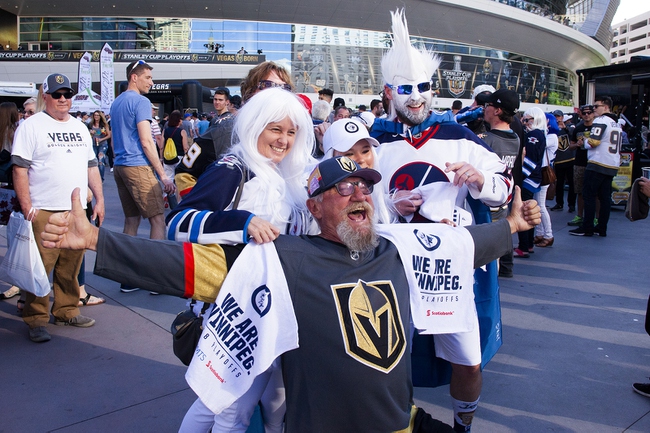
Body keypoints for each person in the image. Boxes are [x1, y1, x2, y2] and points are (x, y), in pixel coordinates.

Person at [41, 157, 541, 432]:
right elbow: (188, 266)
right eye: (344, 190)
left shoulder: (396, 249)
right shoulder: (282, 258)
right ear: (316, 206)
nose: (360, 195)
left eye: (365, 189)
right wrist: (96, 241)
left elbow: (458, 245)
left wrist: (512, 225)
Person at [371, 10, 511, 431]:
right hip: (392, 268)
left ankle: (462, 427)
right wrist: (392, 206)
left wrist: (481, 178)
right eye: (406, 89)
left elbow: (504, 189)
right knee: (388, 359)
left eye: (424, 88)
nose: (416, 98)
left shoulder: (462, 138)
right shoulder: (371, 141)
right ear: (388, 92)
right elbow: (351, 204)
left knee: (467, 361)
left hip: (450, 271)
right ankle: (400, 424)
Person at [167, 87, 317, 432]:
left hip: (277, 306)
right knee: (231, 407)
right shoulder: (234, 166)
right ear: (255, 127)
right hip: (237, 308)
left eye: (291, 132)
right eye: (275, 129)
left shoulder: (287, 174)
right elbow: (179, 223)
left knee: (270, 401)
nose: (283, 140)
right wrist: (242, 223)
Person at [11, 72, 104, 343]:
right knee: (39, 268)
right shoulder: (31, 126)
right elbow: (20, 168)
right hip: (44, 210)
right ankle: (36, 319)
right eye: (57, 94)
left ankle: (66, 310)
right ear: (46, 96)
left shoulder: (79, 127)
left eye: (67, 95)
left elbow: (91, 166)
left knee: (70, 267)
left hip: (76, 211)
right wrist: (28, 206)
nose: (63, 99)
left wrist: (99, 199)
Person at [174, 61, 293, 198]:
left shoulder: (294, 136)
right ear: (249, 92)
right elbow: (184, 173)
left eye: (285, 88)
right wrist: (210, 212)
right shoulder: (223, 131)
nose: (277, 93)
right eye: (267, 85)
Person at [110, 60, 175, 293]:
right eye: (148, 77)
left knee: (131, 221)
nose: (152, 82)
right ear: (134, 78)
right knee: (158, 219)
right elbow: (147, 142)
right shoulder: (141, 101)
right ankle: (153, 276)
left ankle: (128, 277)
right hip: (137, 166)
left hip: (120, 166)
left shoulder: (117, 103)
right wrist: (164, 176)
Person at [481, 89, 521, 277]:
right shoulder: (515, 138)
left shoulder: (487, 141)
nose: (484, 109)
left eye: (488, 105)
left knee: (485, 258)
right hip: (503, 201)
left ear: (497, 111)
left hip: (486, 206)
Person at [569, 96, 621, 237]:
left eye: (596, 106)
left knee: (589, 195)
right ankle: (602, 227)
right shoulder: (616, 123)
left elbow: (593, 142)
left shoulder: (601, 120)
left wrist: (583, 142)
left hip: (598, 163)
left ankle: (587, 227)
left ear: (605, 107)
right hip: (612, 164)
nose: (593, 109)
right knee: (604, 198)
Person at [515, 107, 546, 258]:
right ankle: (528, 244)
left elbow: (531, 159)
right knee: (529, 210)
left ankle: (523, 246)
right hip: (533, 177)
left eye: (527, 120)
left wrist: (520, 176)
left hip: (528, 178)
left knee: (523, 211)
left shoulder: (534, 134)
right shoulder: (539, 134)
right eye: (524, 120)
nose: (525, 123)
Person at [0, 102, 21, 301]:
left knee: (11, 231)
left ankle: (17, 282)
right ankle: (18, 282)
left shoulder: (6, 132)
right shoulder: (13, 132)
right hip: (13, 187)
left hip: (5, 187)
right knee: (16, 232)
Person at [533, 113, 559, 248]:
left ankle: (548, 235)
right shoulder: (549, 135)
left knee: (541, 205)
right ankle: (540, 233)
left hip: (544, 172)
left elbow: (540, 144)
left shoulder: (552, 137)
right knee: (538, 204)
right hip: (540, 171)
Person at [567, 105, 595, 227]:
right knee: (579, 191)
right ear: (581, 115)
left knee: (596, 192)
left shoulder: (597, 127)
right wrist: (577, 144)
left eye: (589, 113)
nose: (587, 115)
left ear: (593, 113)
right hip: (580, 162)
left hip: (594, 163)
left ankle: (596, 218)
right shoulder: (578, 128)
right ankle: (579, 215)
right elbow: (570, 146)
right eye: (584, 113)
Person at [549, 110, 576, 212]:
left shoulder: (570, 127)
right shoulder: (552, 128)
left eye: (559, 116)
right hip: (559, 160)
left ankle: (571, 204)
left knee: (572, 183)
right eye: (555, 116)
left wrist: (564, 127)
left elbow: (574, 134)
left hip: (570, 159)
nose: (557, 118)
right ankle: (559, 203)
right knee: (559, 184)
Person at [162, 110, 188, 181]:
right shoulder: (182, 131)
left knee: (168, 177)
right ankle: (177, 191)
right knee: (179, 178)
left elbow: (161, 146)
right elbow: (185, 147)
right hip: (179, 157)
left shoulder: (165, 131)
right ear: (178, 120)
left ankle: (168, 191)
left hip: (167, 157)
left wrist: (161, 157)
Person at [88, 110, 111, 181]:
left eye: (97, 115)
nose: (96, 117)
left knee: (101, 161)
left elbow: (109, 135)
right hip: (93, 144)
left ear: (100, 116)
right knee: (94, 162)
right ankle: (94, 178)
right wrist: (91, 133)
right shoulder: (90, 124)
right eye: (95, 115)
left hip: (102, 145)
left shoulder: (104, 125)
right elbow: (87, 135)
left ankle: (101, 179)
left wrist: (101, 139)